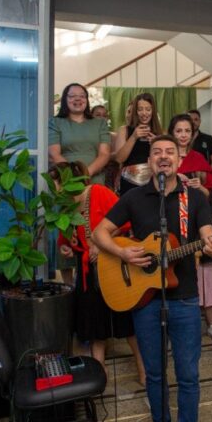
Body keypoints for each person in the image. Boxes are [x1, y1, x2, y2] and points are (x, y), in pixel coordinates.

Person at [93, 135, 212, 422]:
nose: (164, 156)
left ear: (179, 159)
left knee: (188, 373)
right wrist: (123, 254)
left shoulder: (193, 199)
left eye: (170, 152)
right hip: (145, 300)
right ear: (149, 160)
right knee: (154, 373)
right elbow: (100, 231)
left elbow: (209, 237)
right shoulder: (134, 197)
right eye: (157, 152)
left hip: (185, 298)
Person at [49, 161, 146, 385]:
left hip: (113, 269)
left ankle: (144, 373)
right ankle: (99, 379)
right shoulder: (66, 206)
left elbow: (127, 221)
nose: (54, 188)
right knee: (95, 330)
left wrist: (103, 243)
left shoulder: (99, 192)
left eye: (55, 182)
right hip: (87, 274)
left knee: (127, 325)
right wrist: (65, 247)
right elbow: (66, 240)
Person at [49, 83, 112, 284]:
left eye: (81, 96)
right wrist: (72, 178)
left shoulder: (99, 124)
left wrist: (86, 174)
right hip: (66, 183)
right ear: (65, 101)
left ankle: (96, 280)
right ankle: (69, 286)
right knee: (67, 232)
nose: (77, 99)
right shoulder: (56, 122)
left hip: (95, 181)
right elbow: (54, 153)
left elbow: (104, 154)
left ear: (87, 100)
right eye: (72, 96)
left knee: (95, 227)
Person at [168, 114, 212, 342]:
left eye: (187, 131)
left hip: (197, 222)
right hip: (172, 223)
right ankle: (174, 327)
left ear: (193, 134)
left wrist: (199, 186)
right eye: (179, 131)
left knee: (205, 274)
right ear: (172, 133)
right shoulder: (165, 157)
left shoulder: (199, 158)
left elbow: (209, 194)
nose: (183, 135)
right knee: (174, 272)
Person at [113, 93, 162, 195]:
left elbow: (165, 159)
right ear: (135, 111)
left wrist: (157, 144)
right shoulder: (124, 130)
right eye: (140, 109)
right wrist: (134, 137)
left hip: (154, 181)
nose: (144, 113)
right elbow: (119, 159)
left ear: (153, 111)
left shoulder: (160, 132)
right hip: (129, 182)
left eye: (148, 109)